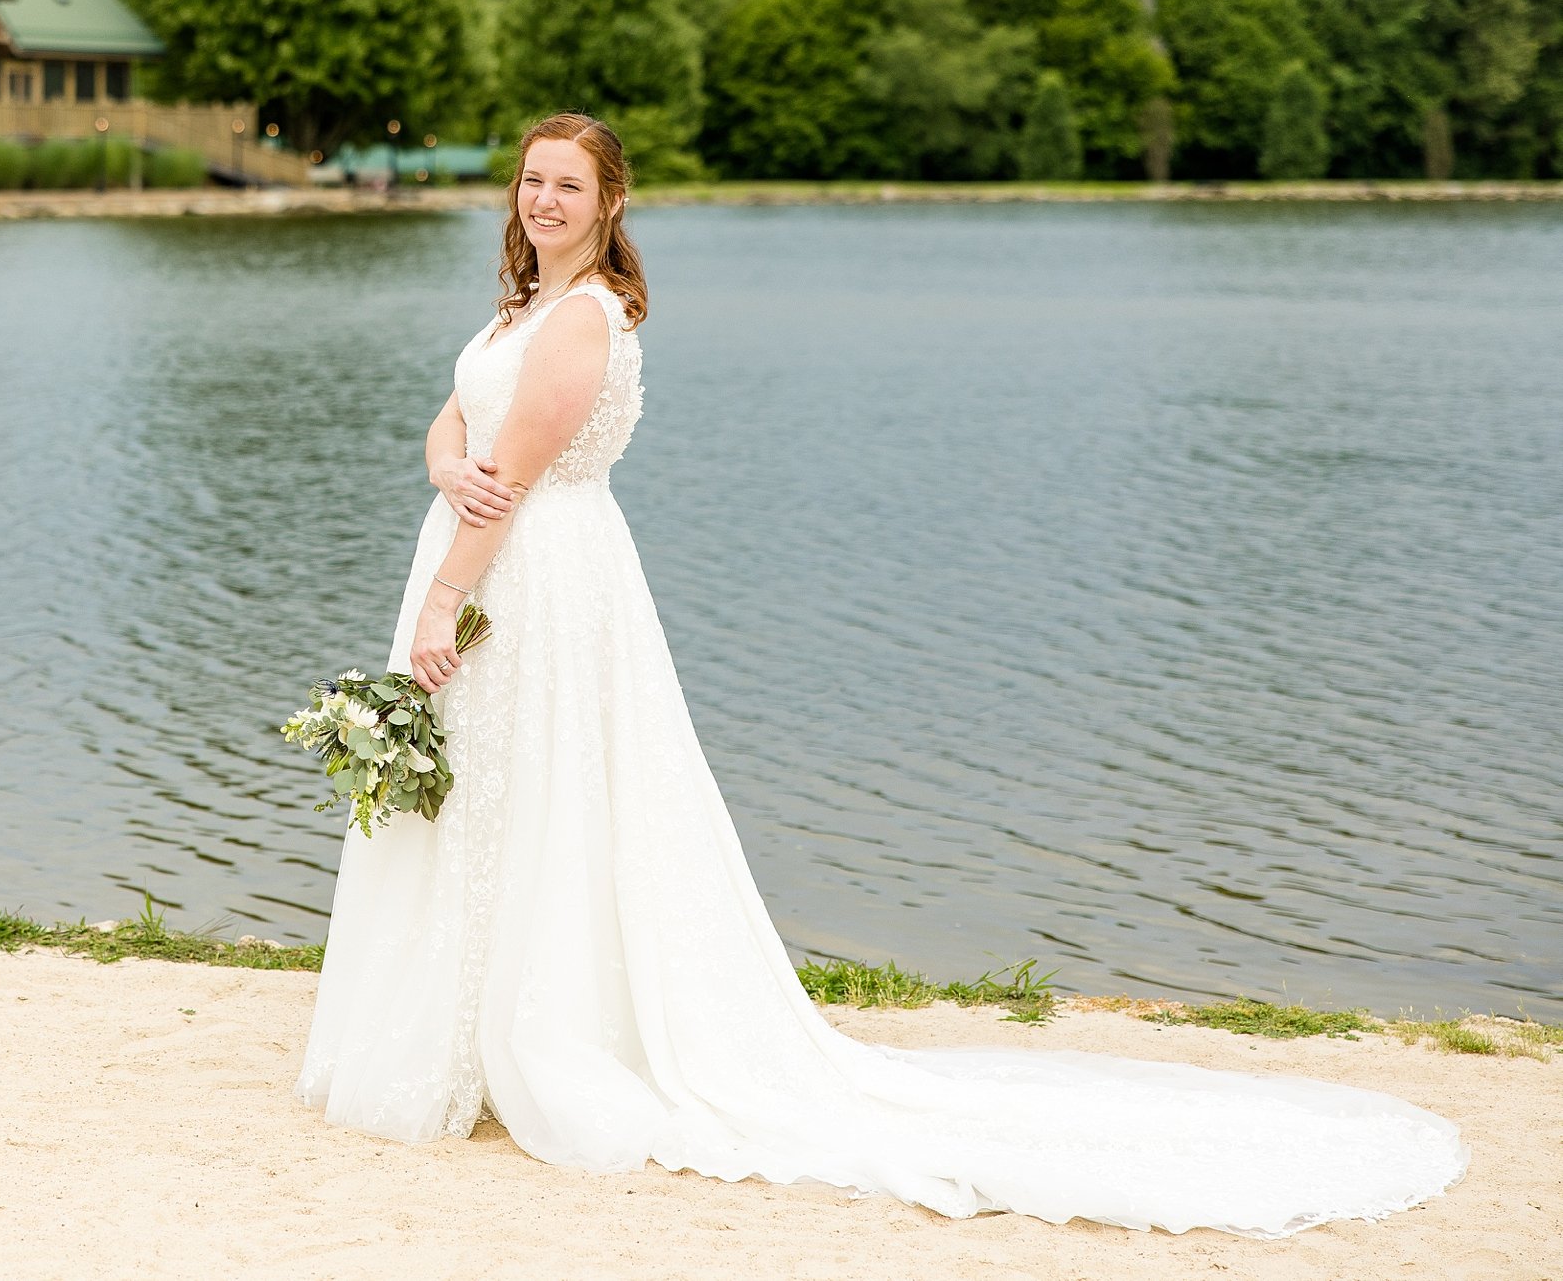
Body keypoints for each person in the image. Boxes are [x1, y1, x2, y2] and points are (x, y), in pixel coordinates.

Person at [295, 111, 1466, 1236]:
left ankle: (543, 1033)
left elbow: (521, 468)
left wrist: (449, 593)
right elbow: (455, 430)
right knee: (491, 787)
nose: (542, 197)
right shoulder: (522, 307)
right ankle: (476, 1025)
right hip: (487, 543)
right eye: (530, 177)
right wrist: (446, 474)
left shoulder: (584, 319)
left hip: (533, 575)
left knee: (541, 789)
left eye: (567, 183)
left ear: (608, 202)